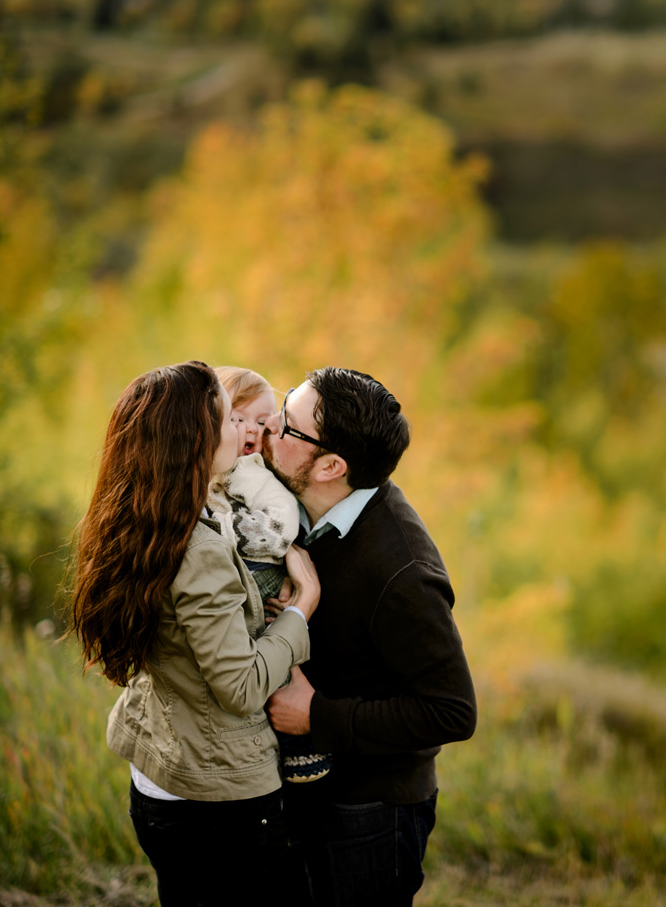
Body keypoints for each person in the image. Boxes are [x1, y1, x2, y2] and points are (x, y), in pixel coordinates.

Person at [66, 360, 318, 906]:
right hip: (216, 798)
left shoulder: (147, 513)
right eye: (231, 419)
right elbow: (241, 688)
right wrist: (302, 610)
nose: (247, 431)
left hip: (160, 770)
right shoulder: (199, 549)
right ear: (197, 442)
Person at [260, 367, 477, 905]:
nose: (270, 425)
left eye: (288, 425)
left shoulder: (404, 573)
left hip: (371, 810)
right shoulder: (308, 508)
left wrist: (319, 716)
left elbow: (452, 712)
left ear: (331, 466)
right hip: (309, 787)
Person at [212, 365, 332, 785]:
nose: (249, 430)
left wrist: (226, 534)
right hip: (233, 574)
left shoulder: (255, 475)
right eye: (236, 418)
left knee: (273, 654)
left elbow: (282, 530)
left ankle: (302, 750)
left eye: (262, 422)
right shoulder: (215, 471)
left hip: (260, 571)